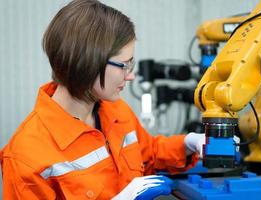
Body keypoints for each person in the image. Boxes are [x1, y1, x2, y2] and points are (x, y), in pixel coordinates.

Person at [0, 0, 205, 199]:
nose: (130, 75)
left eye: (131, 64)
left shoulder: (117, 111)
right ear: (86, 62)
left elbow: (148, 153)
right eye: (124, 65)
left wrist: (187, 143)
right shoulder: (25, 156)